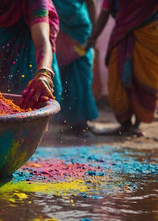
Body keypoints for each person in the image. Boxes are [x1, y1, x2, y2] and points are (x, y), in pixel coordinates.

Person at [86, 0, 158, 136]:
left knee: (146, 78)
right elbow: (106, 10)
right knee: (117, 77)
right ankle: (126, 124)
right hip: (122, 33)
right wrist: (92, 38)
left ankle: (137, 124)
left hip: (149, 34)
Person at [0, 0, 61, 110]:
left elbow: (41, 41)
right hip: (2, 34)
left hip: (34, 34)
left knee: (37, 90)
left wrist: (43, 73)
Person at [52, 0, 99, 137]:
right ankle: (69, 120)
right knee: (64, 77)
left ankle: (81, 123)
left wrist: (94, 33)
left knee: (81, 78)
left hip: (80, 32)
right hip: (61, 33)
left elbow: (90, 3)